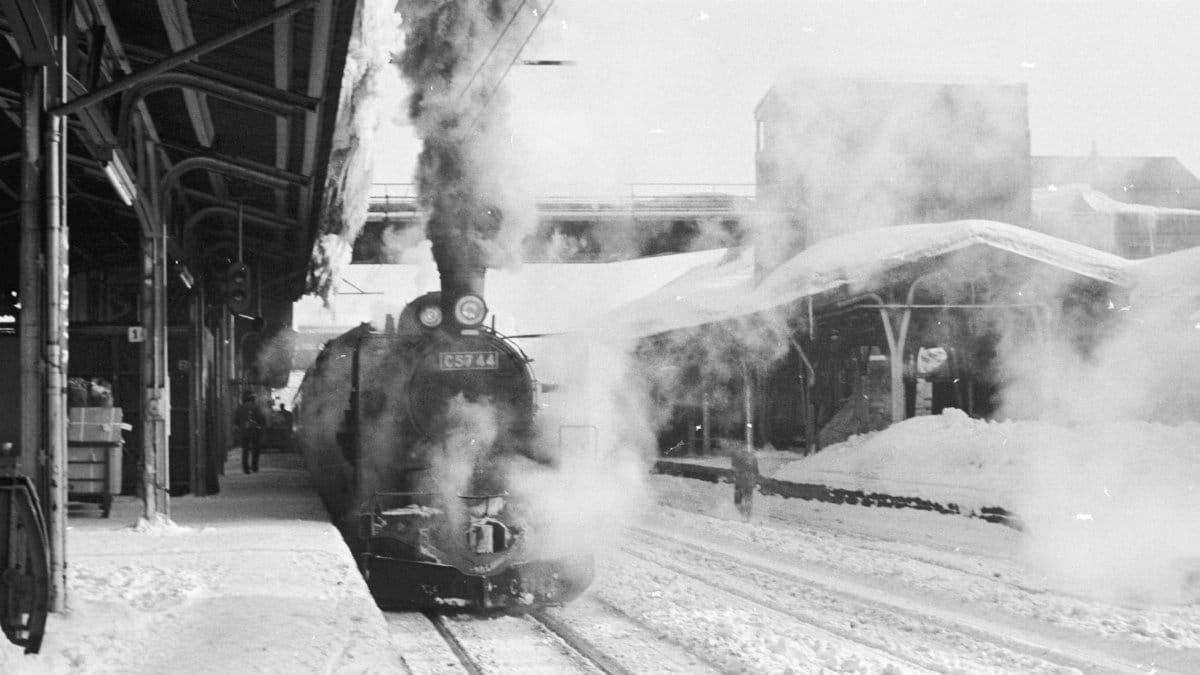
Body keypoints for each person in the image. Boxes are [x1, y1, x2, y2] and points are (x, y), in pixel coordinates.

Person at [234, 391, 266, 474]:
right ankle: (254, 467)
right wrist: (261, 428)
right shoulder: (255, 407)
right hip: (255, 432)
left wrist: (240, 428)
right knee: (255, 450)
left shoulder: (240, 408)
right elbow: (261, 419)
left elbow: (236, 421)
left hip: (244, 432)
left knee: (245, 450)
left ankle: (246, 469)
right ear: (252, 398)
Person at [731, 442, 759, 521]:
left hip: (740, 482)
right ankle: (748, 518)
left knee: (737, 502)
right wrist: (756, 482)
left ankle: (745, 515)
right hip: (749, 482)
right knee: (748, 500)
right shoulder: (753, 458)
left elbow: (733, 468)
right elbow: (756, 472)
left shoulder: (737, 457)